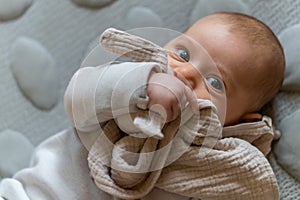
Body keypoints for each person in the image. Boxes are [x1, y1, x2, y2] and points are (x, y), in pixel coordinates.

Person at [0, 12, 284, 200]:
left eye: (215, 82)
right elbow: (78, 95)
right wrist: (142, 84)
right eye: (183, 53)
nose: (184, 73)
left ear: (237, 122)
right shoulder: (129, 81)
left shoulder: (218, 166)